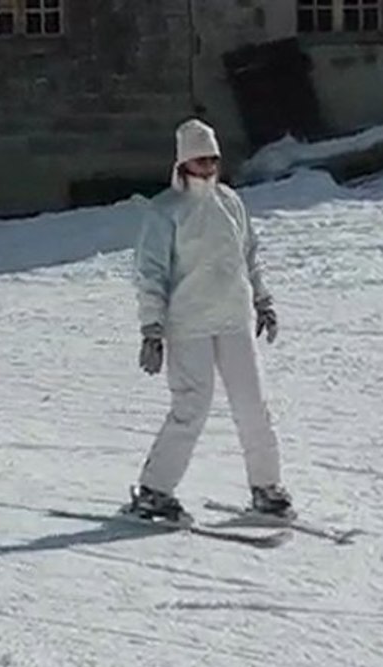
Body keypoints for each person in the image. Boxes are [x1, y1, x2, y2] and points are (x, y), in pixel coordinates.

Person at [128, 118, 292, 522]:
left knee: (253, 405)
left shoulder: (230, 202)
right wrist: (152, 328)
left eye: (213, 158)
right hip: (188, 324)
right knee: (191, 407)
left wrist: (263, 301)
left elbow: (249, 256)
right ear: (184, 162)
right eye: (200, 159)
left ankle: (266, 487)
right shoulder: (165, 211)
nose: (208, 166)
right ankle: (154, 490)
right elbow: (151, 272)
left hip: (234, 318)